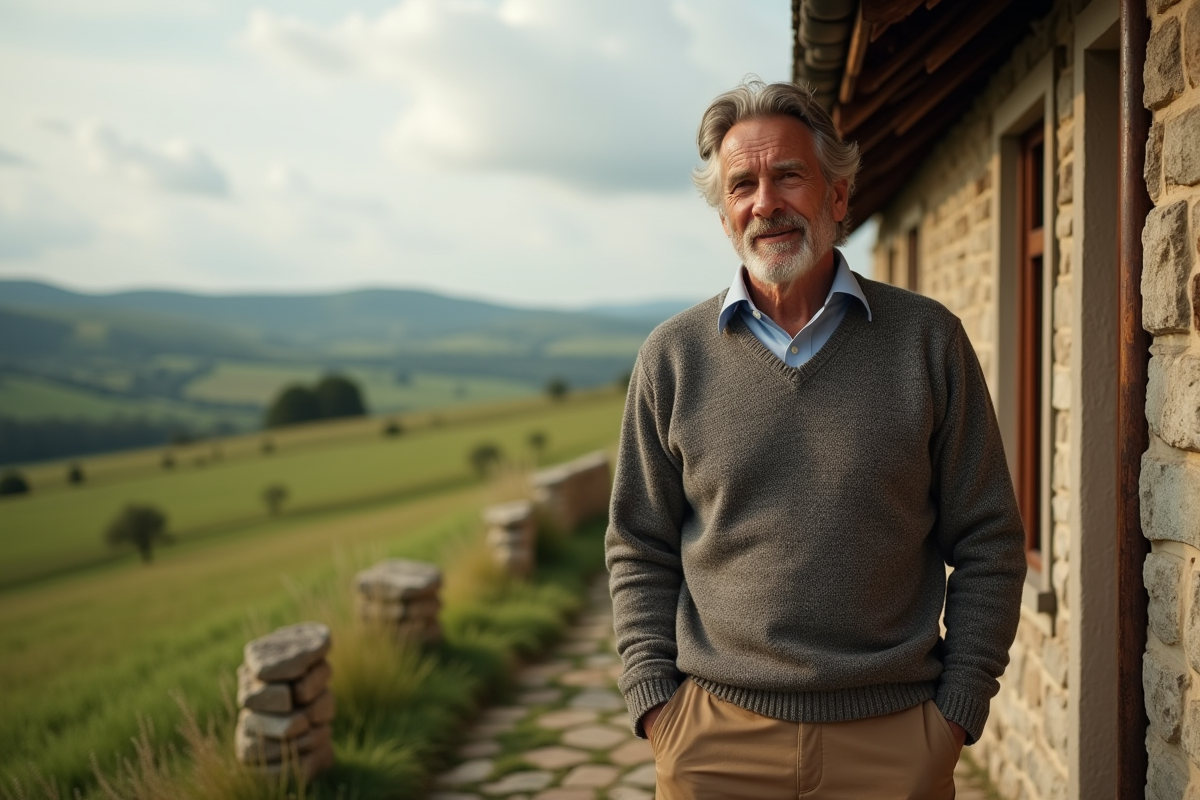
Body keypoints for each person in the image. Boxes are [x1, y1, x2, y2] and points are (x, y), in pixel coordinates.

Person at [605, 79, 1026, 799]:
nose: (765, 202)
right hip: (715, 741)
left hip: (895, 740)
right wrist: (656, 703)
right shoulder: (672, 357)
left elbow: (989, 539)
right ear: (726, 216)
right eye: (743, 185)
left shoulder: (928, 342)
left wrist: (955, 714)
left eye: (788, 176)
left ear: (836, 196)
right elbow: (637, 543)